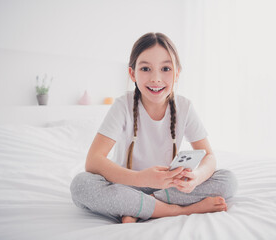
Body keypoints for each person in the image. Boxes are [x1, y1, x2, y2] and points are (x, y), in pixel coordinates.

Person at [70, 32, 238, 224]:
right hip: (127, 185)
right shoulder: (122, 106)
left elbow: (209, 156)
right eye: (146, 69)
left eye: (166, 68)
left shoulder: (185, 107)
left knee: (228, 180)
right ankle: (176, 211)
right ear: (132, 73)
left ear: (177, 73)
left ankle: (139, 207)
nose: (156, 78)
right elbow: (93, 161)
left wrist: (197, 177)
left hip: (167, 189)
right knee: (81, 185)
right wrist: (142, 179)